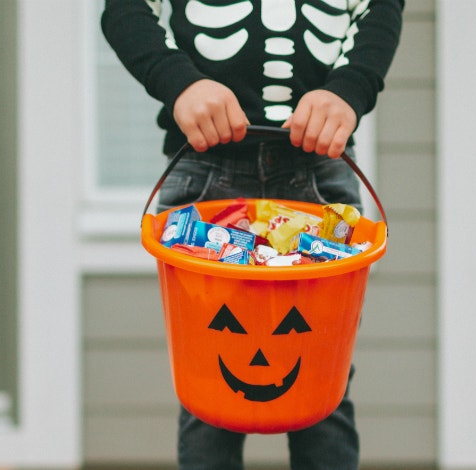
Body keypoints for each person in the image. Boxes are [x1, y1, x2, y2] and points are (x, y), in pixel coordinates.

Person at [101, 1, 402, 468]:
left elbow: (382, 7)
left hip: (319, 169)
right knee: (208, 379)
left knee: (324, 376)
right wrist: (178, 82)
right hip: (204, 165)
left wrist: (349, 90)